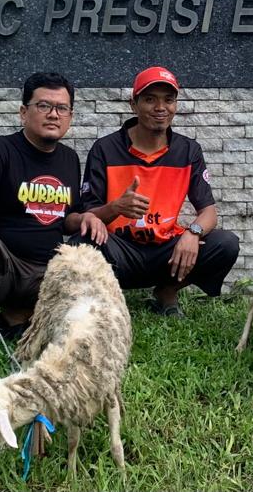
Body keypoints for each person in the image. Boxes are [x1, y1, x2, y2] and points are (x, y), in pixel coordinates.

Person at [0, 71, 107, 387]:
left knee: (86, 250)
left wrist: (86, 218)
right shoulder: (0, 151)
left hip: (46, 272)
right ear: (24, 112)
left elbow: (66, 217)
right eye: (44, 105)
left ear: (70, 116)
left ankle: (19, 319)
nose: (53, 114)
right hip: (4, 267)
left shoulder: (69, 159)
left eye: (62, 108)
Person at [75, 65, 239, 316]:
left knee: (225, 244)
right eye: (150, 99)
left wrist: (192, 233)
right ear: (134, 104)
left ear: (175, 105)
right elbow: (88, 215)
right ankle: (107, 298)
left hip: (166, 251)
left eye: (168, 100)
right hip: (120, 250)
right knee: (82, 243)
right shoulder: (105, 149)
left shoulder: (188, 150)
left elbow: (209, 212)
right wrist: (116, 208)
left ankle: (167, 291)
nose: (160, 107)